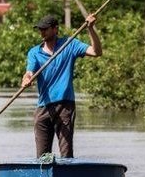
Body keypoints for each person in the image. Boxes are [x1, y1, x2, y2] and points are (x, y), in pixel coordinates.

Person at [21, 13, 102, 158]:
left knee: (66, 154)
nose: (42, 32)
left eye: (45, 29)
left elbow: (96, 52)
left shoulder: (69, 45)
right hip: (43, 107)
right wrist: (26, 79)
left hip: (65, 106)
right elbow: (29, 72)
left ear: (55, 29)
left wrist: (91, 29)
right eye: (40, 29)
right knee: (42, 157)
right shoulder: (35, 52)